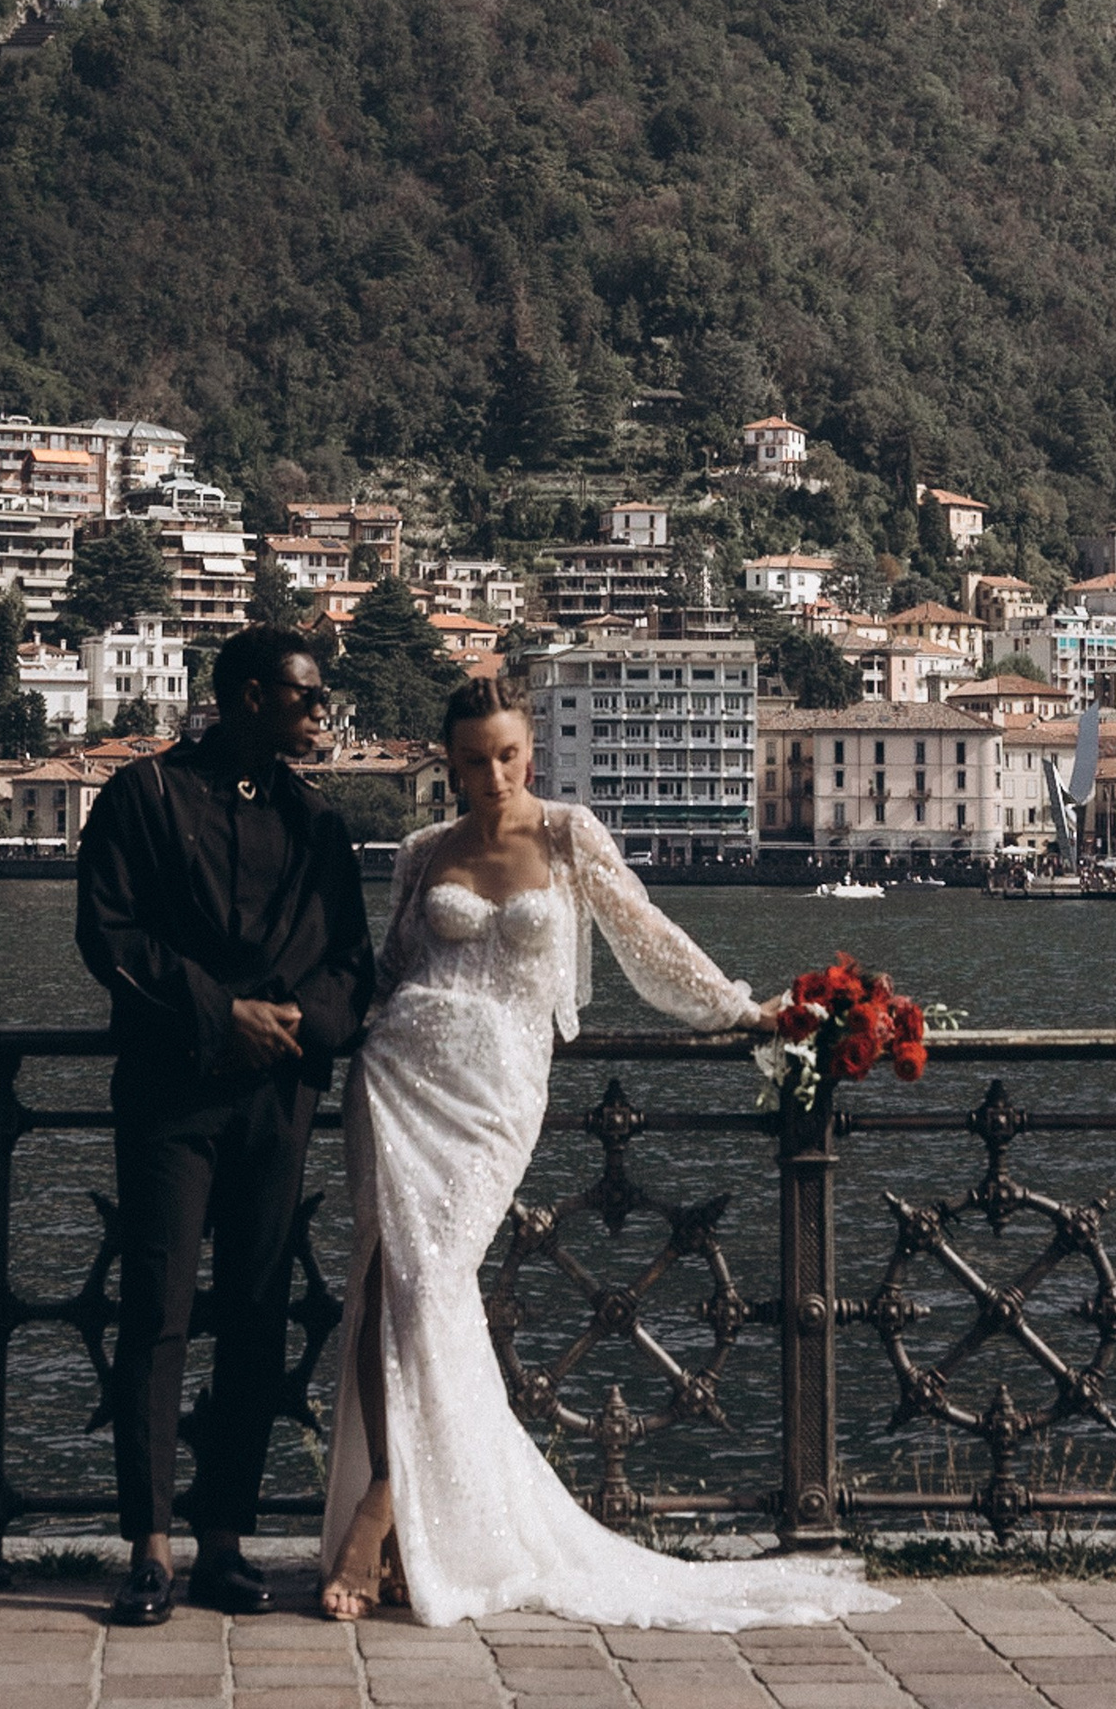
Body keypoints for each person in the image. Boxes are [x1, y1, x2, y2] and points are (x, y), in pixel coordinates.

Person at [316, 676, 866, 1629]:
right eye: (472, 760)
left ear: (531, 752)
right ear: (448, 767)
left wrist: (744, 1010)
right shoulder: (421, 854)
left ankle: (384, 1509)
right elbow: (391, 972)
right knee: (384, 1283)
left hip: (493, 1098)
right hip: (400, 1078)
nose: (491, 775)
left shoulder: (571, 837)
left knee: (437, 1279)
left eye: (506, 755)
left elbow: (646, 939)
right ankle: (393, 1511)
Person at [76, 628, 372, 1630]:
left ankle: (226, 1540)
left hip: (278, 1097)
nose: (322, 711)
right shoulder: (143, 798)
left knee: (256, 1312)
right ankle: (150, 1544)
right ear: (250, 697)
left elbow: (351, 964)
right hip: (172, 1090)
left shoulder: (317, 821)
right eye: (308, 696)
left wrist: (300, 1026)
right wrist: (220, 1014)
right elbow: (108, 933)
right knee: (154, 1311)